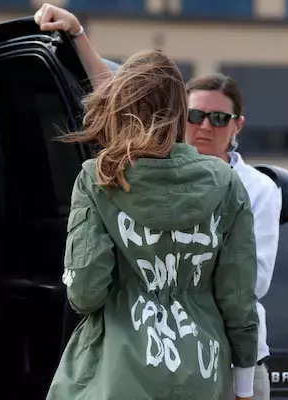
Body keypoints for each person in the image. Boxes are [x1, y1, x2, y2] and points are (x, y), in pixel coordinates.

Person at [34, 4, 259, 400]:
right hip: (202, 371)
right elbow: (239, 299)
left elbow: (85, 292)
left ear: (121, 107)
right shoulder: (226, 182)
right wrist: (243, 386)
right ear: (180, 112)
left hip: (116, 374)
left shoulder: (98, 178)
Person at [185, 73, 282, 400]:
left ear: (237, 125)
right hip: (170, 353)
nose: (205, 126)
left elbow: (255, 280)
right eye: (195, 115)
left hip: (234, 357)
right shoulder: (157, 178)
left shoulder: (259, 189)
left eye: (218, 118)